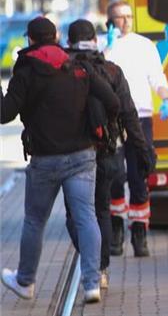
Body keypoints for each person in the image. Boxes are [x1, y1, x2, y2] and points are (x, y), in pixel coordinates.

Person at [1, 17, 119, 304]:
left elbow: (5, 114)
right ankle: (92, 284)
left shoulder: (25, 71)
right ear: (56, 37)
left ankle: (26, 281)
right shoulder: (79, 66)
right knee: (86, 217)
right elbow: (113, 102)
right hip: (82, 156)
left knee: (34, 221)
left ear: (29, 40)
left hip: (45, 160)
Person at [63, 19, 154, 290]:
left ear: (69, 41)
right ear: (95, 39)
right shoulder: (112, 70)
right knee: (101, 210)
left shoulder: (62, 69)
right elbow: (129, 114)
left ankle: (90, 258)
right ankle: (100, 268)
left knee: (75, 214)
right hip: (107, 153)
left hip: (72, 154)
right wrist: (143, 150)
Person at [104, 0, 168, 257]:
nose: (126, 21)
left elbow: (157, 76)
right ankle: (116, 230)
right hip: (114, 119)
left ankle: (139, 233)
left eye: (129, 16)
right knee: (115, 176)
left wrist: (165, 98)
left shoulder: (144, 46)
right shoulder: (105, 45)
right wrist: (108, 47)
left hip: (141, 117)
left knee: (139, 175)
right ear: (110, 21)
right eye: (120, 17)